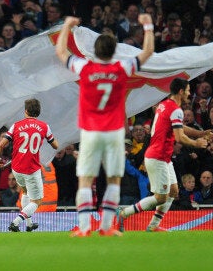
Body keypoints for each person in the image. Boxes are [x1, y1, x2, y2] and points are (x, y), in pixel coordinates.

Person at [55, 13, 155, 237]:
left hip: (90, 131)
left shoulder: (85, 68)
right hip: (113, 132)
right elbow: (147, 52)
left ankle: (83, 228)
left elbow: (61, 52)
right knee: (113, 179)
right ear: (114, 51)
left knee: (85, 179)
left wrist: (67, 26)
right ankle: (107, 226)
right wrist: (147, 25)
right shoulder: (122, 69)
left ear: (96, 51)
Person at [118, 78, 210, 232]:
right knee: (160, 197)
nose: (189, 93)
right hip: (157, 157)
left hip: (163, 157)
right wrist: (197, 143)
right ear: (181, 91)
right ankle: (124, 213)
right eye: (187, 90)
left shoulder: (164, 105)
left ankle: (153, 226)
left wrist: (202, 133)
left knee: (174, 191)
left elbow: (181, 128)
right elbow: (180, 137)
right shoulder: (175, 110)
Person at [0, 98, 59, 232]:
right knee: (37, 201)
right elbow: (55, 145)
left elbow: (1, 145)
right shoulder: (44, 126)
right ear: (39, 112)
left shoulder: (16, 125)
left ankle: (29, 224)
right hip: (31, 169)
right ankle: (16, 222)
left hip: (16, 168)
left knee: (25, 192)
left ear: (26, 111)